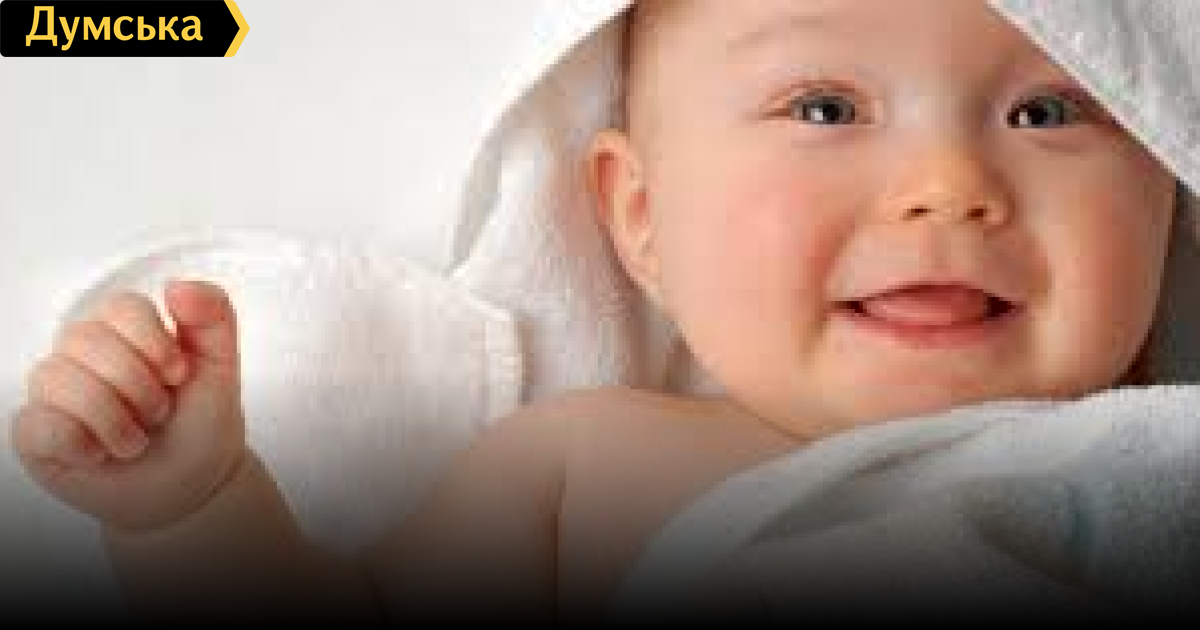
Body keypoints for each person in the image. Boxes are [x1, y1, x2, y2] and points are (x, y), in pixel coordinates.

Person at [9, 0, 1182, 621]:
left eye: (1047, 113)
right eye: (825, 108)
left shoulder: (1158, 454)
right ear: (642, 217)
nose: (948, 186)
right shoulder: (588, 471)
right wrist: (191, 508)